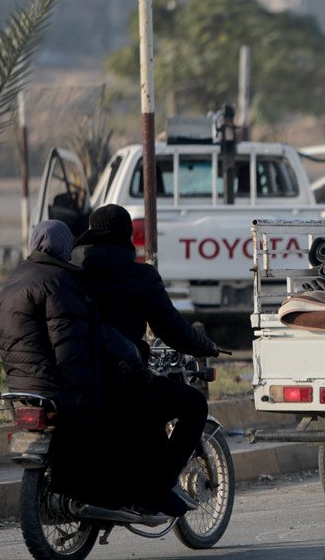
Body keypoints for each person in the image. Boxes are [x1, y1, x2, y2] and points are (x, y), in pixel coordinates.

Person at [72, 204, 220, 517]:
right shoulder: (139, 275)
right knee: (194, 405)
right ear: (127, 235)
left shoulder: (71, 274)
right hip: (123, 379)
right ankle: (157, 488)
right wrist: (204, 345)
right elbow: (173, 329)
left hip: (78, 378)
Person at [0, 220, 106, 503]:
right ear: (64, 246)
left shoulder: (18, 277)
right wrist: (84, 385)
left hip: (20, 383)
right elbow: (67, 344)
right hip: (52, 384)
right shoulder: (59, 281)